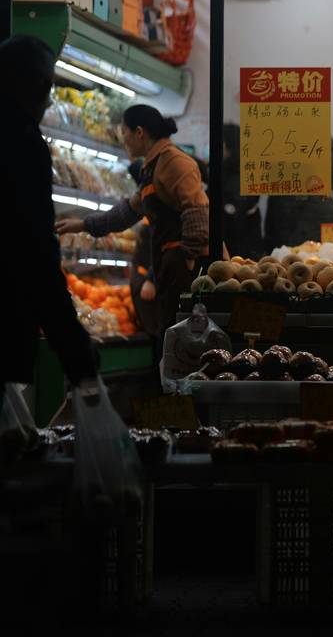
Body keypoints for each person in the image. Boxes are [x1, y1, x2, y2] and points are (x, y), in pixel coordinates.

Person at [56, 104, 208, 352]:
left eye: (124, 132)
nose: (122, 138)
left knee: (182, 342)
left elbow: (197, 210)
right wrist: (83, 224)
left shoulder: (175, 162)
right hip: (171, 266)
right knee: (172, 339)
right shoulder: (154, 166)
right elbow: (128, 211)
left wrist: (188, 258)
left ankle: (182, 391)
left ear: (139, 133)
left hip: (186, 268)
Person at [1, 34, 98, 389]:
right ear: (36, 87)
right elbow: (35, 254)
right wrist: (73, 347)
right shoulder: (23, 143)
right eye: (48, 87)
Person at [220, 124, 265, 260]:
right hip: (245, 244)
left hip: (239, 248)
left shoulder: (237, 175)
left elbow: (236, 215)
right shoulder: (235, 169)